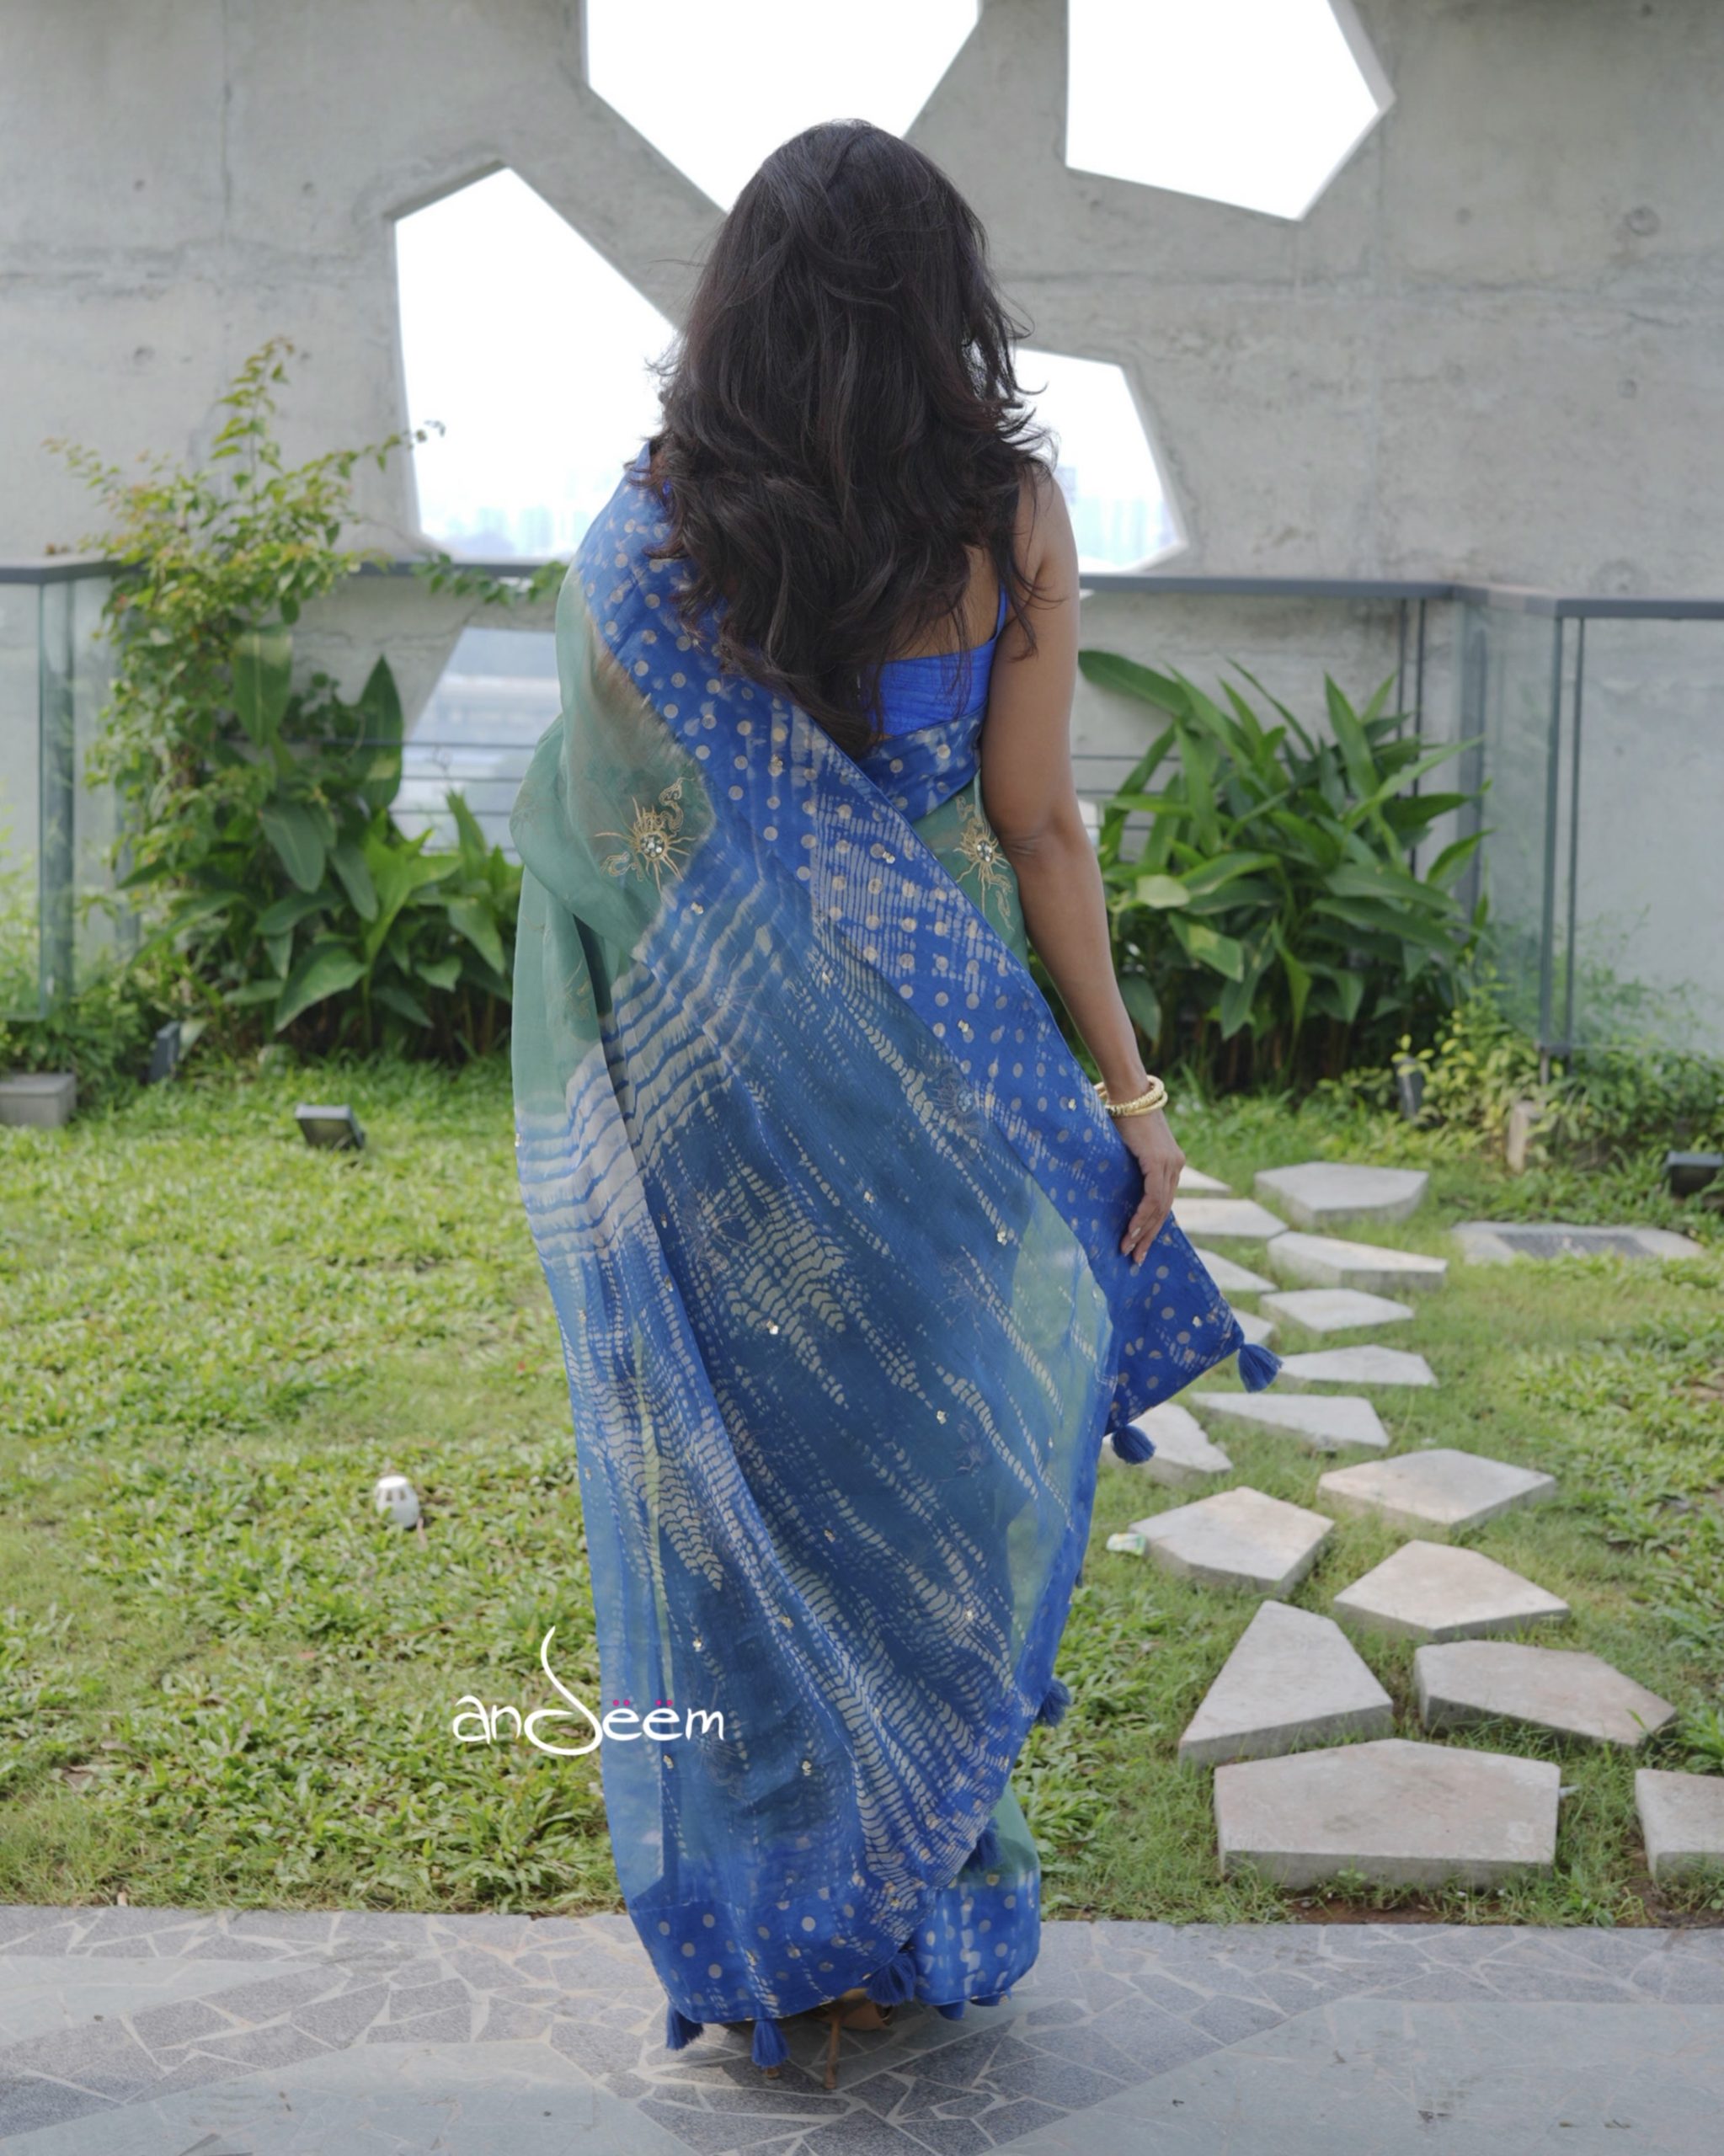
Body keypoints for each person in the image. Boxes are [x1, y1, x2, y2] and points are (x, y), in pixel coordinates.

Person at [509, 118, 1277, 2089]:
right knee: (930, 1479)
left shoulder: (654, 535)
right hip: (940, 1087)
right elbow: (1034, 821)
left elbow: (605, 858)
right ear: (946, 303)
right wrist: (1126, 1089)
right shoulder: (1008, 514)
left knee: (748, 1506)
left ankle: (783, 1933)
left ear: (741, 306)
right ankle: (910, 1905)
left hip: (715, 1105)